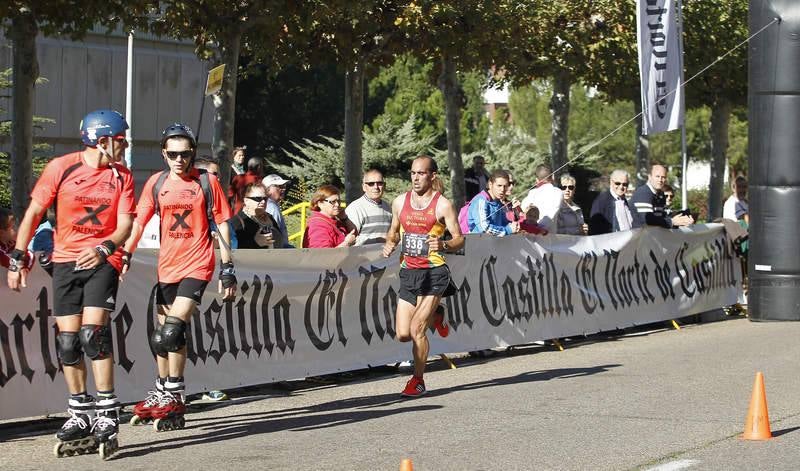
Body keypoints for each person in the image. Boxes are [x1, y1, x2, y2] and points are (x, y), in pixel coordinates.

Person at [6, 109, 135, 458]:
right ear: (101, 139)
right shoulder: (62, 167)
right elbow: (33, 213)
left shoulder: (122, 176)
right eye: (120, 140)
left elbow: (125, 225)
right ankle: (80, 412)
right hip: (66, 262)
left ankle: (107, 411)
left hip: (101, 260)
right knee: (67, 343)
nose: (124, 146)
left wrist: (105, 247)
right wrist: (17, 257)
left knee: (93, 335)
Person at [122, 123, 236, 431]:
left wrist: (227, 269)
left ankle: (173, 394)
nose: (179, 160)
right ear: (164, 154)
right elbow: (138, 221)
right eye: (172, 154)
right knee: (162, 339)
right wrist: (126, 253)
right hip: (167, 267)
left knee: (171, 331)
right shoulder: (157, 183)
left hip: (198, 264)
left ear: (192, 154)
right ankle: (166, 394)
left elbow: (223, 225)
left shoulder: (207, 181)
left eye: (184, 154)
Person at [382, 155, 465, 397]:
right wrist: (389, 243)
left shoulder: (442, 205)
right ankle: (438, 314)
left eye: (421, 173)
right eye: (413, 173)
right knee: (403, 334)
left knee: (418, 330)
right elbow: (393, 232)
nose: (416, 178)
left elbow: (459, 239)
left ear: (432, 176)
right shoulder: (399, 202)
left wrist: (445, 245)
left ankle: (417, 381)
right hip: (409, 272)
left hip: (434, 273)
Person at [629, 164, 694, 229]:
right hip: (640, 237)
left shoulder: (660, 194)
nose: (660, 180)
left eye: (663, 177)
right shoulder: (643, 193)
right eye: (657, 176)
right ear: (649, 177)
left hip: (653, 236)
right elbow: (647, 220)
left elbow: (661, 218)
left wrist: (682, 220)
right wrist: (672, 221)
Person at [345, 169, 393, 245]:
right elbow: (351, 239)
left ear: (384, 185)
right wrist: (378, 240)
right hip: (362, 255)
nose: (376, 187)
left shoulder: (388, 207)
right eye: (371, 184)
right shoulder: (355, 208)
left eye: (379, 183)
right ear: (364, 187)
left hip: (384, 255)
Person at [467, 169, 520, 236]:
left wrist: (514, 226)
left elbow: (503, 223)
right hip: (478, 244)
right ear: (490, 184)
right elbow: (484, 228)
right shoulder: (480, 201)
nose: (502, 190)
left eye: (505, 186)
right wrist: (508, 230)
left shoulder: (498, 202)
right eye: (499, 186)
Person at [230, 183, 278, 249]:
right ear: (246, 200)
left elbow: (281, 241)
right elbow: (232, 247)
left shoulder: (270, 217)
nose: (263, 202)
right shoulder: (237, 221)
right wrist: (255, 242)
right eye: (258, 198)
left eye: (265, 199)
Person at [588, 169, 634, 235]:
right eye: (617, 183)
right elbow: (594, 228)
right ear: (611, 182)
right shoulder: (601, 201)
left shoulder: (624, 200)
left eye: (625, 184)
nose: (621, 187)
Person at [521, 164, 563, 233]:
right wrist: (537, 230)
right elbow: (549, 217)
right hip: (547, 238)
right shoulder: (557, 192)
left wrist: (532, 229)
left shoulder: (531, 193)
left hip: (529, 236)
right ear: (553, 177)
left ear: (537, 180)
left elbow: (522, 212)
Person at [262, 174, 293, 248]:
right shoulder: (272, 207)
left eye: (284, 186)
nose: (283, 189)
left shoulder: (271, 205)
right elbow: (274, 236)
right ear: (267, 189)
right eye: (279, 186)